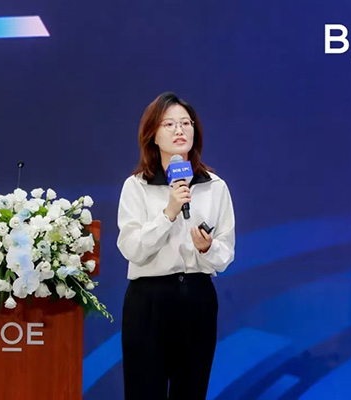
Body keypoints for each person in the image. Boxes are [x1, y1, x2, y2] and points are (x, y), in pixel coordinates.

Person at [117, 92, 236, 400]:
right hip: (149, 301)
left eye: (186, 123)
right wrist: (168, 213)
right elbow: (131, 248)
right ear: (153, 135)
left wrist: (207, 249)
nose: (179, 130)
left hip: (197, 298)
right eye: (169, 124)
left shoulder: (215, 186)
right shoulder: (136, 186)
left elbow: (226, 253)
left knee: (191, 392)